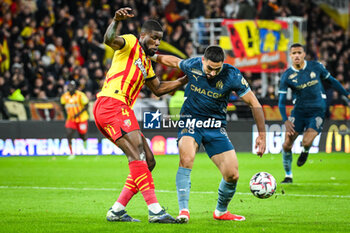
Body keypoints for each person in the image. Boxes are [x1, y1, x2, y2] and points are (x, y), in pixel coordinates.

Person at [151, 45, 266, 223]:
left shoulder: (232, 75)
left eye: (216, 69)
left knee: (232, 174)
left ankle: (221, 212)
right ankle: (184, 211)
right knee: (187, 159)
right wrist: (152, 56)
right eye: (209, 68)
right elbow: (173, 61)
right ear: (203, 60)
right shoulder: (193, 65)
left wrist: (262, 134)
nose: (212, 73)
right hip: (190, 121)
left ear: (223, 64)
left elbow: (254, 103)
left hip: (215, 126)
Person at [93, 8, 187, 223]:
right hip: (112, 103)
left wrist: (183, 80)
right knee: (138, 155)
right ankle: (155, 211)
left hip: (120, 108)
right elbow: (109, 39)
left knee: (150, 160)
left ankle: (117, 210)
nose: (157, 43)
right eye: (154, 38)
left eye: (160, 40)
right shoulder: (131, 42)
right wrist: (116, 20)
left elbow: (159, 88)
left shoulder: (145, 62)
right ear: (143, 35)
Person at [278, 43, 350, 184]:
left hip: (317, 110)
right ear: (290, 56)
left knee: (306, 141)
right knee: (287, 144)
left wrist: (346, 94)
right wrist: (285, 120)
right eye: (294, 53)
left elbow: (333, 81)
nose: (297, 55)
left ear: (304, 54)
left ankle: (305, 151)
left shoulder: (316, 67)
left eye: (299, 52)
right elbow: (281, 102)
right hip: (298, 112)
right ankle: (288, 175)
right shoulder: (286, 76)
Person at [60, 80, 89, 160]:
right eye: (69, 86)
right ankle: (71, 153)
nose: (70, 88)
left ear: (75, 87)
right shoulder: (64, 96)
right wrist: (66, 113)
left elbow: (86, 105)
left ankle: (84, 141)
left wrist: (78, 114)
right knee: (68, 134)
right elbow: (62, 105)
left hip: (81, 119)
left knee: (82, 134)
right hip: (71, 119)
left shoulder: (80, 95)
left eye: (72, 86)